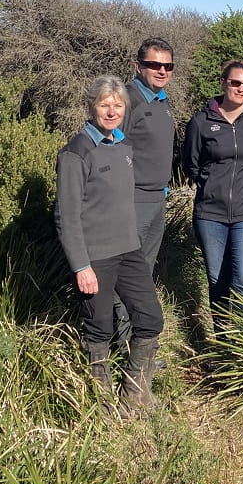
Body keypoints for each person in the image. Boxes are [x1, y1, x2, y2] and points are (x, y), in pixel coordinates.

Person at [55, 75, 164, 410]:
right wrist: (82, 266)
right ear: (92, 106)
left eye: (118, 104)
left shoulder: (122, 146)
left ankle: (134, 397)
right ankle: (102, 406)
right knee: (99, 329)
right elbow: (66, 217)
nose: (112, 110)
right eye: (105, 104)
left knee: (150, 318)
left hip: (128, 250)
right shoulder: (76, 153)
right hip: (95, 258)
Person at [183, 60, 243, 311]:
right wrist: (210, 186)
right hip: (210, 215)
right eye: (235, 82)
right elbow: (190, 163)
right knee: (218, 282)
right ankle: (224, 342)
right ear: (223, 83)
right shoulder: (201, 121)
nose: (241, 88)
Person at [111, 38, 177, 350]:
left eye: (167, 66)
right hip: (132, 202)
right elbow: (109, 148)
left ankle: (136, 350)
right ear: (138, 66)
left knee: (142, 276)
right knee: (127, 276)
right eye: (154, 64)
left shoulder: (160, 100)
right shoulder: (128, 99)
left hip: (155, 200)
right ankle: (120, 347)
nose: (161, 70)